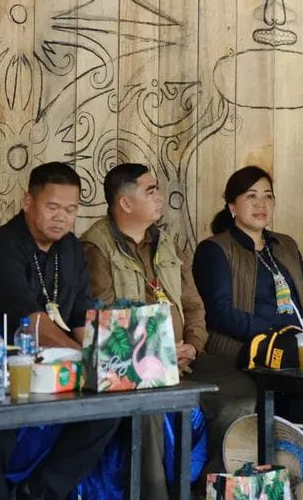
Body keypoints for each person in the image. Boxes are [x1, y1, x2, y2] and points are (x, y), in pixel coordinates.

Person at [0, 162, 119, 500]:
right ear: (27, 202)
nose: (62, 217)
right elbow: (30, 322)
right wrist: (84, 357)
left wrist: (102, 359)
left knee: (110, 409)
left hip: (46, 369)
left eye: (71, 209)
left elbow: (81, 315)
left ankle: (38, 493)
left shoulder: (71, 249)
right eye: (52, 207)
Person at [81, 163, 208, 498]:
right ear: (125, 203)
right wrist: (161, 354)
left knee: (237, 396)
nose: (159, 196)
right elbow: (107, 321)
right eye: (150, 190)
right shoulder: (96, 247)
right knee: (150, 409)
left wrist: (193, 345)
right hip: (134, 367)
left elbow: (193, 305)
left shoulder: (165, 242)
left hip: (184, 358)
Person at [191, 165, 303, 469]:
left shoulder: (285, 244)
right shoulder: (215, 249)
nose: (261, 204)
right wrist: (280, 334)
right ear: (232, 206)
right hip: (243, 348)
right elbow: (220, 314)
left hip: (298, 344)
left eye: (268, 196)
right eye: (251, 196)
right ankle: (288, 467)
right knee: (302, 382)